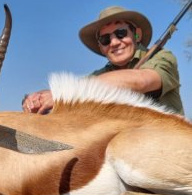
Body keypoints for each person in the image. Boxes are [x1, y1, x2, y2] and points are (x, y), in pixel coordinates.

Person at [22, 6, 184, 115]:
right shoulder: (100, 76)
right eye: (105, 39)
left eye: (121, 33)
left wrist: (62, 93)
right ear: (101, 47)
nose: (114, 42)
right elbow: (79, 84)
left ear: (137, 35)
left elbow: (141, 81)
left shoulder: (162, 57)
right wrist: (36, 99)